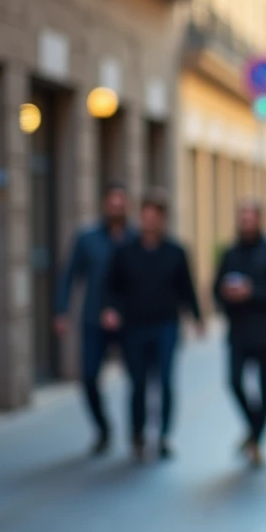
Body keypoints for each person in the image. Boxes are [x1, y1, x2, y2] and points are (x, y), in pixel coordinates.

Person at [101, 190, 202, 461]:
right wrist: (110, 309)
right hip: (133, 328)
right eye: (145, 216)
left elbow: (187, 288)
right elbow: (111, 287)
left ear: (163, 219)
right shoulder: (125, 252)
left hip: (166, 326)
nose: (149, 221)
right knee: (138, 384)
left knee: (166, 382)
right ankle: (137, 434)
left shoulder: (176, 252)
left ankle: (164, 436)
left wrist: (197, 317)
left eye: (155, 216)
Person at [54, 181, 134, 455]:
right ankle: (102, 428)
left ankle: (137, 433)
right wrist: (61, 310)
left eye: (120, 203)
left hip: (130, 321)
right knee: (88, 377)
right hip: (93, 320)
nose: (116, 208)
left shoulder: (136, 238)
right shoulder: (87, 238)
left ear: (127, 206)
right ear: (104, 205)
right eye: (112, 203)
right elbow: (69, 276)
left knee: (139, 379)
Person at [215, 201, 266, 468]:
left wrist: (252, 292)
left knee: (264, 387)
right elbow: (217, 288)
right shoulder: (231, 253)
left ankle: (256, 441)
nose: (247, 223)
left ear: (260, 220)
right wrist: (226, 294)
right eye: (243, 218)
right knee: (234, 382)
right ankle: (253, 429)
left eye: (251, 218)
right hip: (239, 331)